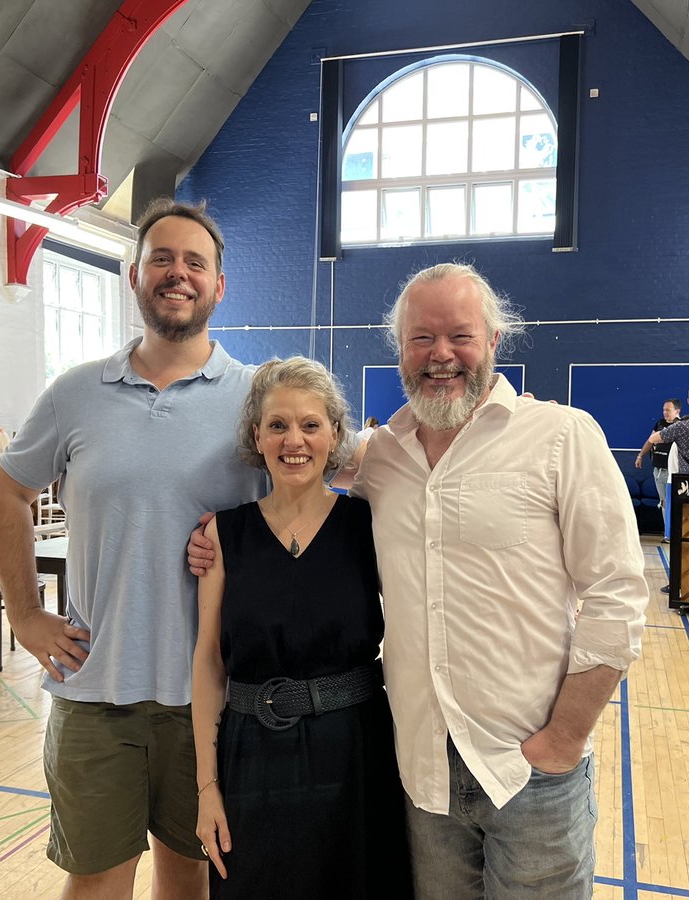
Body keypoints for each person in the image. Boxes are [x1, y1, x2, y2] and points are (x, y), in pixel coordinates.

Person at [189, 263, 650, 895]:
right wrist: (219, 534)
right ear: (399, 350)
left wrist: (563, 739)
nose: (441, 355)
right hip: (422, 776)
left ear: (493, 341)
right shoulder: (383, 458)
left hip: (528, 773)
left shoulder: (561, 437)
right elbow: (298, 460)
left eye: (460, 335)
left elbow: (619, 597)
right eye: (421, 339)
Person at [0, 198, 266, 899]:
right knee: (96, 884)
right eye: (162, 259)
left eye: (195, 262)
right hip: (95, 694)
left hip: (210, 698)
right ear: (135, 276)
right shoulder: (76, 393)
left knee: (190, 878)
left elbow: (329, 480)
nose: (178, 274)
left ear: (219, 285)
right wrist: (23, 614)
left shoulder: (258, 397)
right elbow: (5, 493)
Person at [192, 357, 410, 897]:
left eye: (311, 425)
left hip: (356, 751)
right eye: (278, 425)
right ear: (257, 436)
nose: (295, 440)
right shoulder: (224, 533)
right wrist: (206, 787)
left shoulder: (369, 524)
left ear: (335, 434)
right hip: (251, 756)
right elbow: (207, 664)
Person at [634, 397, 681, 510]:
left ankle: (673, 527)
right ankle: (667, 527)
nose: (665, 412)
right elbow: (650, 440)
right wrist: (640, 455)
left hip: (672, 472)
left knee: (674, 504)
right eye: (664, 410)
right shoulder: (660, 423)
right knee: (663, 502)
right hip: (658, 471)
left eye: (668, 410)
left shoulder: (681, 426)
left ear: (677, 411)